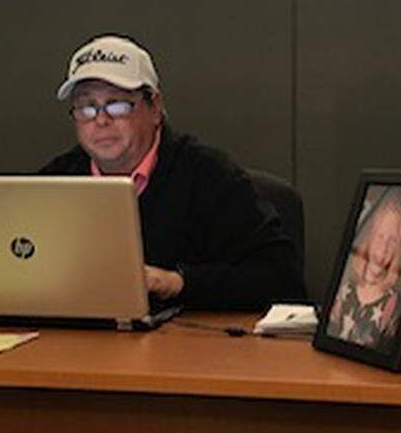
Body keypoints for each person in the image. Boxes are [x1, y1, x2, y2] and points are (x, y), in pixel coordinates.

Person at [40, 34, 306, 310]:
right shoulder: (54, 183)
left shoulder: (209, 176)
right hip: (77, 345)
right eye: (87, 107)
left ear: (155, 107)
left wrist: (177, 283)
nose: (101, 120)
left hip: (189, 349)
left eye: (117, 103)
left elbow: (282, 280)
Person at [327, 189, 401, 351]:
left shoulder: (392, 305)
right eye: (380, 236)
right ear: (369, 239)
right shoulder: (345, 291)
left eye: (392, 241)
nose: (384, 248)